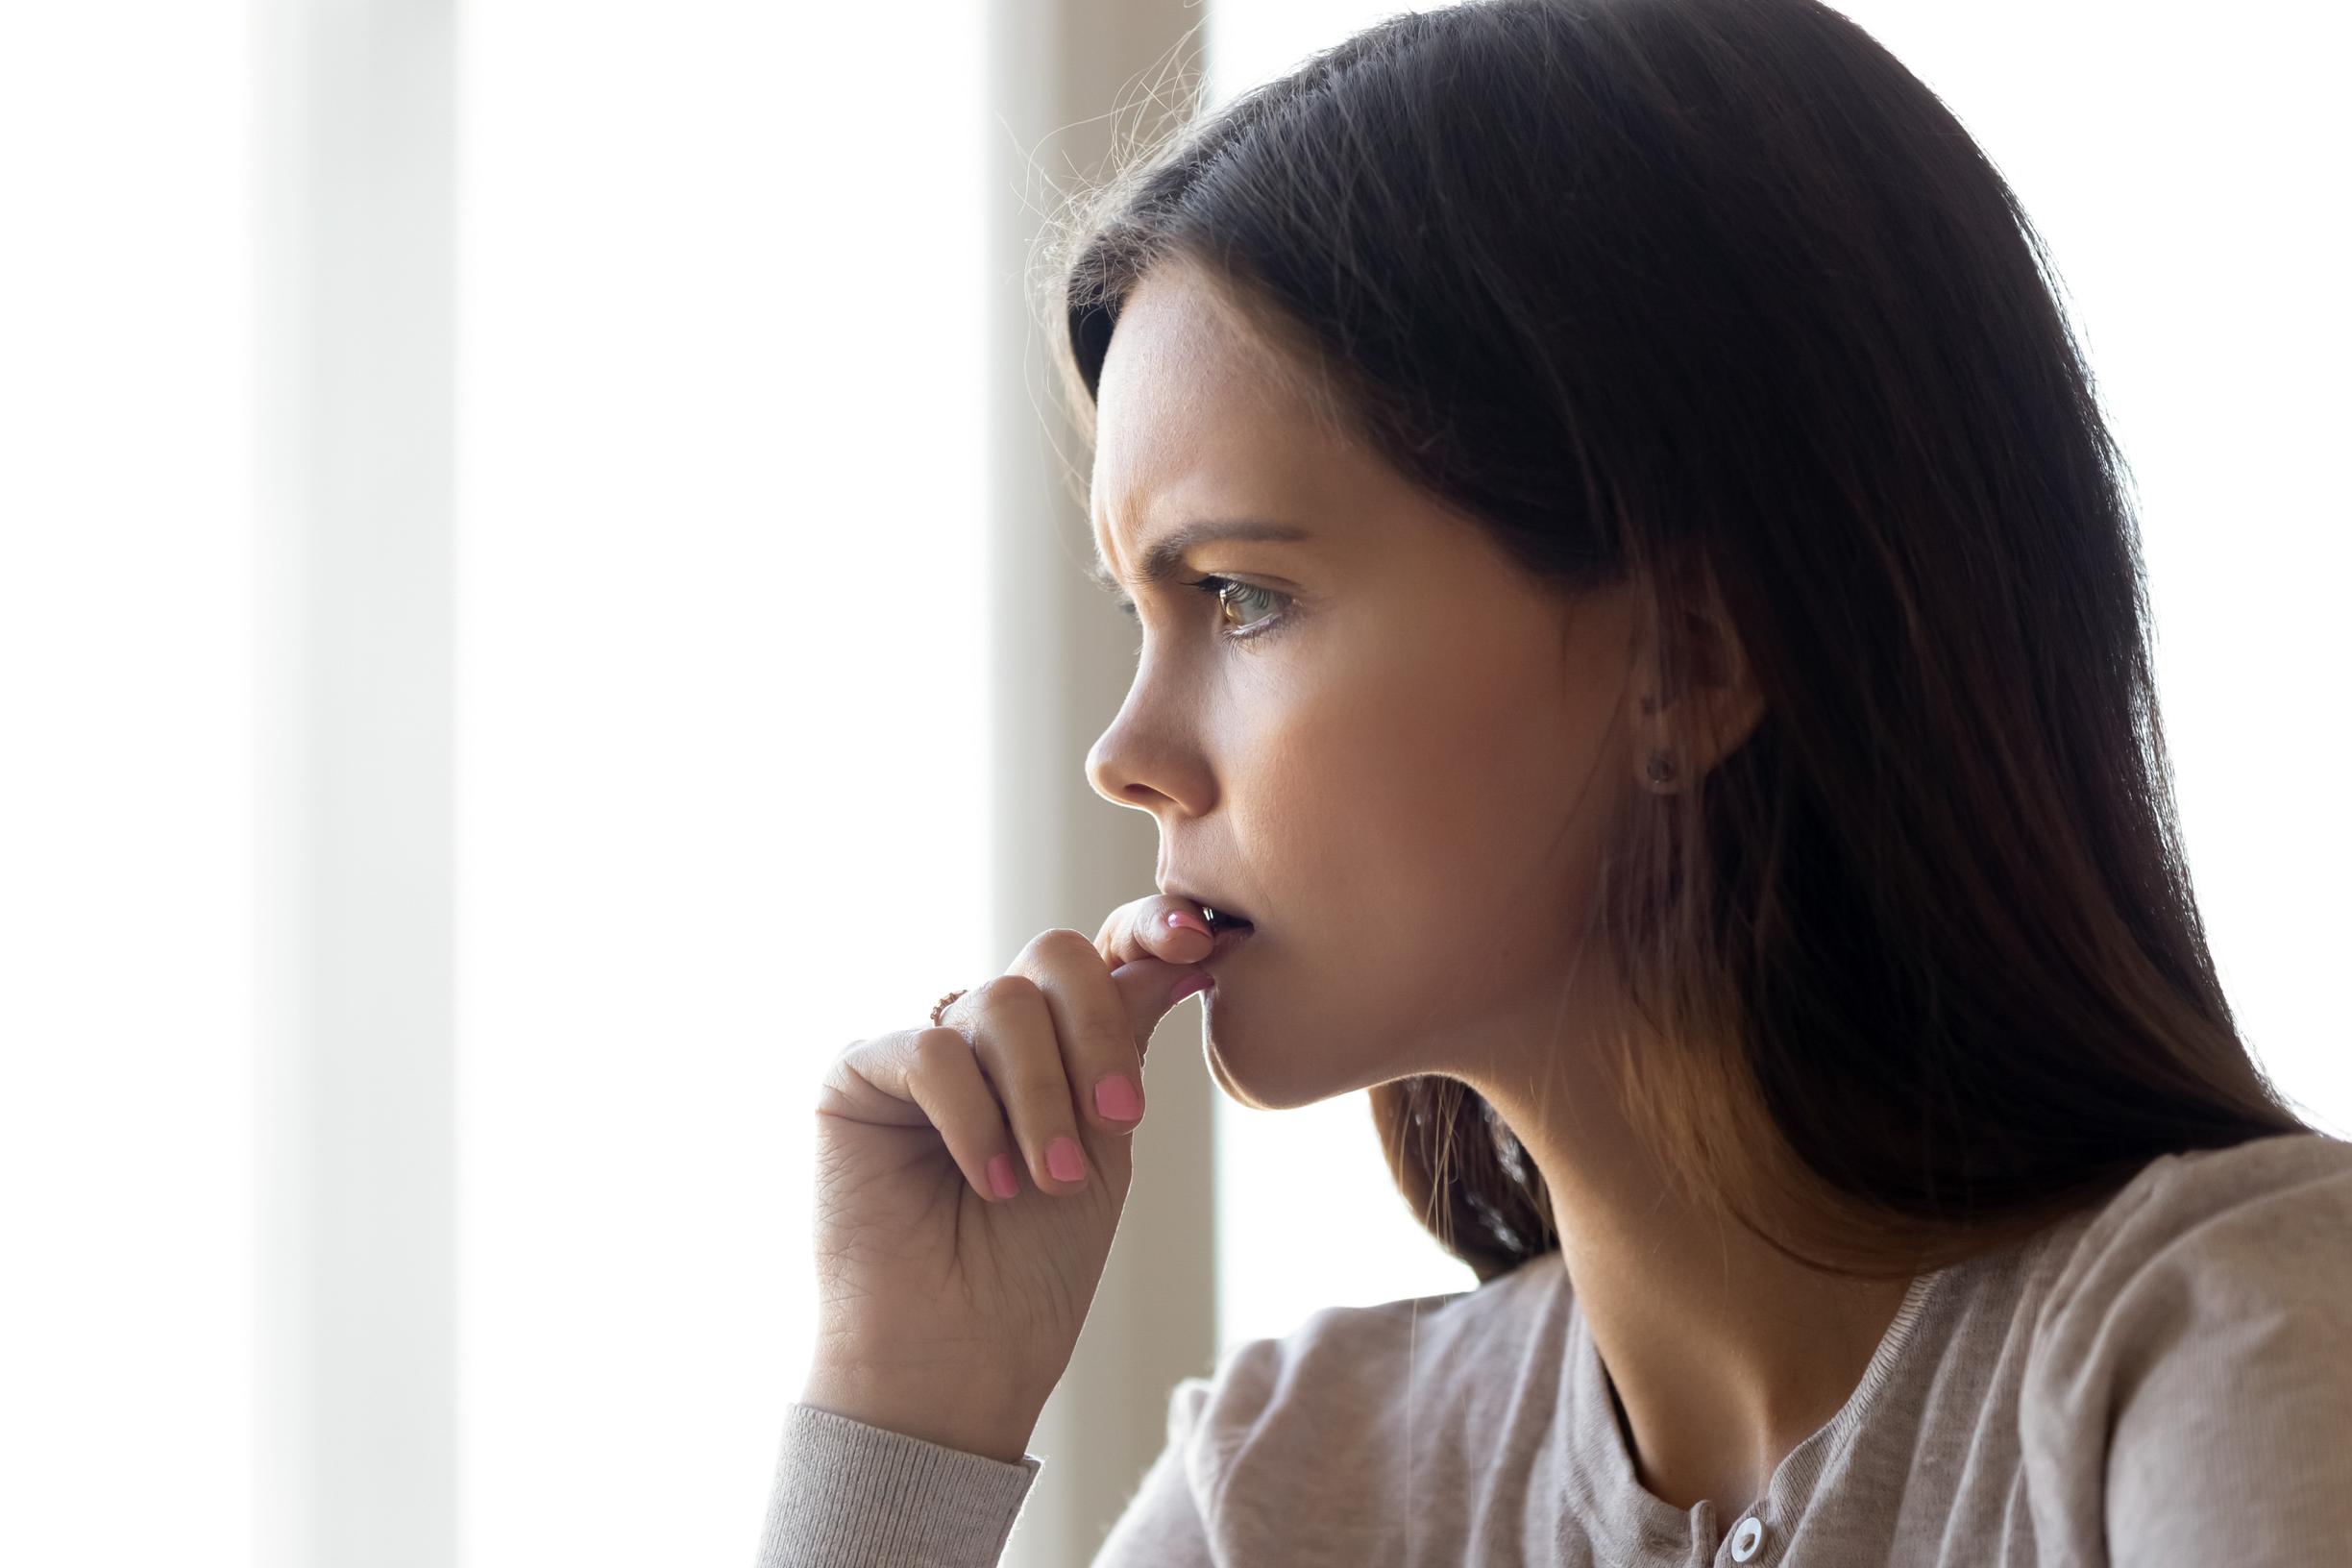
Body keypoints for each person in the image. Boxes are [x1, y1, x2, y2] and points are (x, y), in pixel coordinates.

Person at [760, 0, 2352, 1563]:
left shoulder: (2245, 1344)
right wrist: (906, 1410)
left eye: (1241, 596)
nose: (1124, 756)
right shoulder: (1291, 1486)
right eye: (1141, 613)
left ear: (1695, 656)